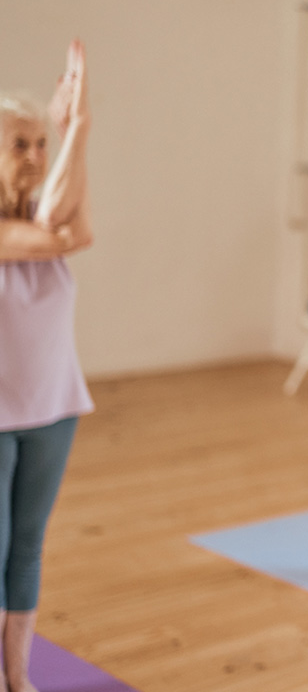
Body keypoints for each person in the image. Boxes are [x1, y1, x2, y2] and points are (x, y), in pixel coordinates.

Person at [0, 39, 93, 692]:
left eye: (40, 143)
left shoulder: (42, 211)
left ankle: (19, 676)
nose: (34, 156)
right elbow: (59, 236)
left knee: (27, 548)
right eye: (19, 145)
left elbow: (73, 230)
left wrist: (76, 134)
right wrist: (77, 130)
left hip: (55, 408)